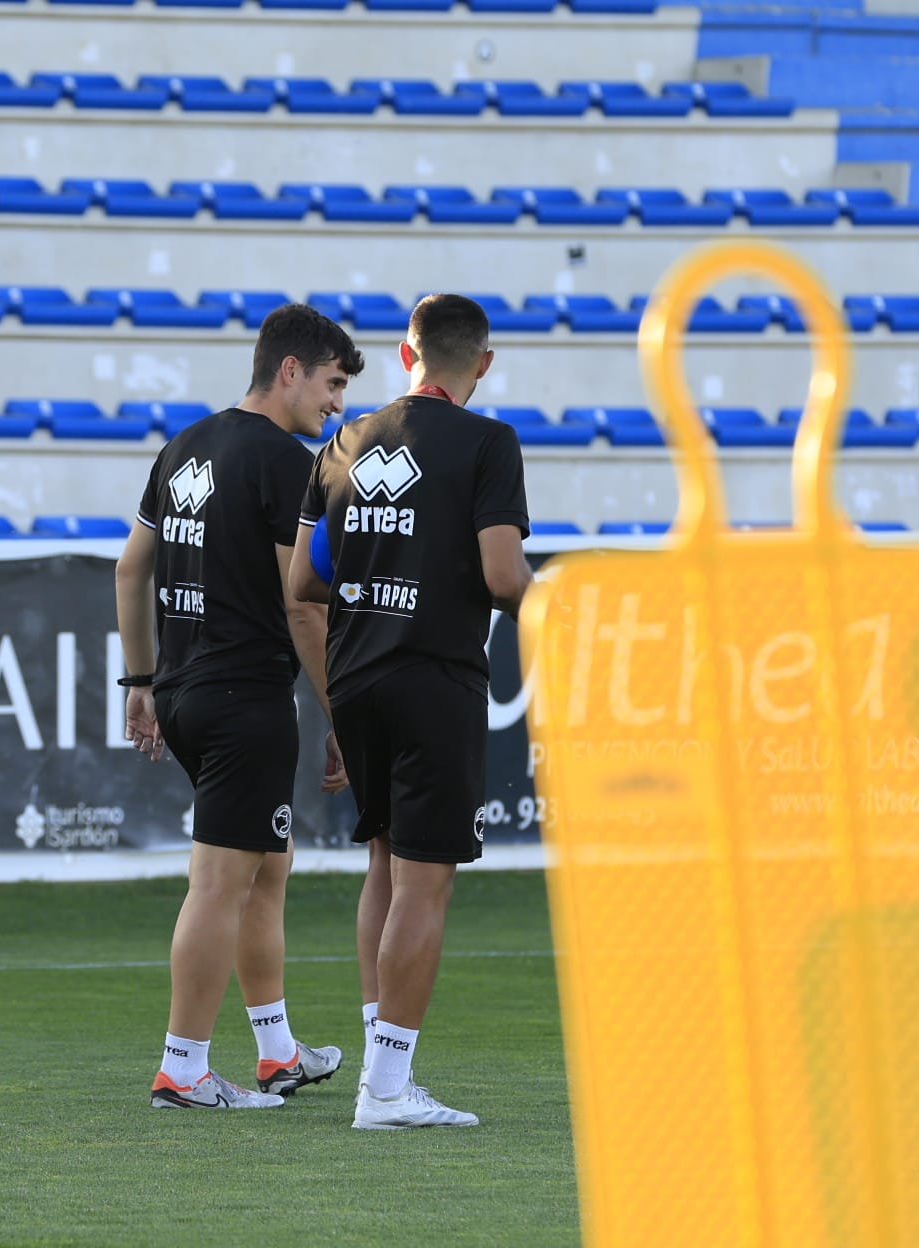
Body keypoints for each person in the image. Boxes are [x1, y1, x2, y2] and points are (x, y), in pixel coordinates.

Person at [289, 293, 533, 1130]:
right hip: (436, 677)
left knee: (386, 868)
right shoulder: (488, 443)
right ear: (484, 365)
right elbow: (503, 577)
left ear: (406, 353)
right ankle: (386, 1090)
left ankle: (379, 1068)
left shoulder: (343, 441)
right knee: (424, 885)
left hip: (358, 677)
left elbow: (305, 585)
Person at [116, 304, 364, 1110]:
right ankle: (183, 1068)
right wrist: (341, 715)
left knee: (265, 871)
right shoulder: (288, 464)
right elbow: (302, 607)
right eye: (332, 384)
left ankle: (277, 1051)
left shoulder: (184, 444)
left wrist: (142, 683)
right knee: (222, 882)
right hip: (244, 699)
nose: (337, 404)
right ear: (288, 370)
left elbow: (130, 569)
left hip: (187, 690)